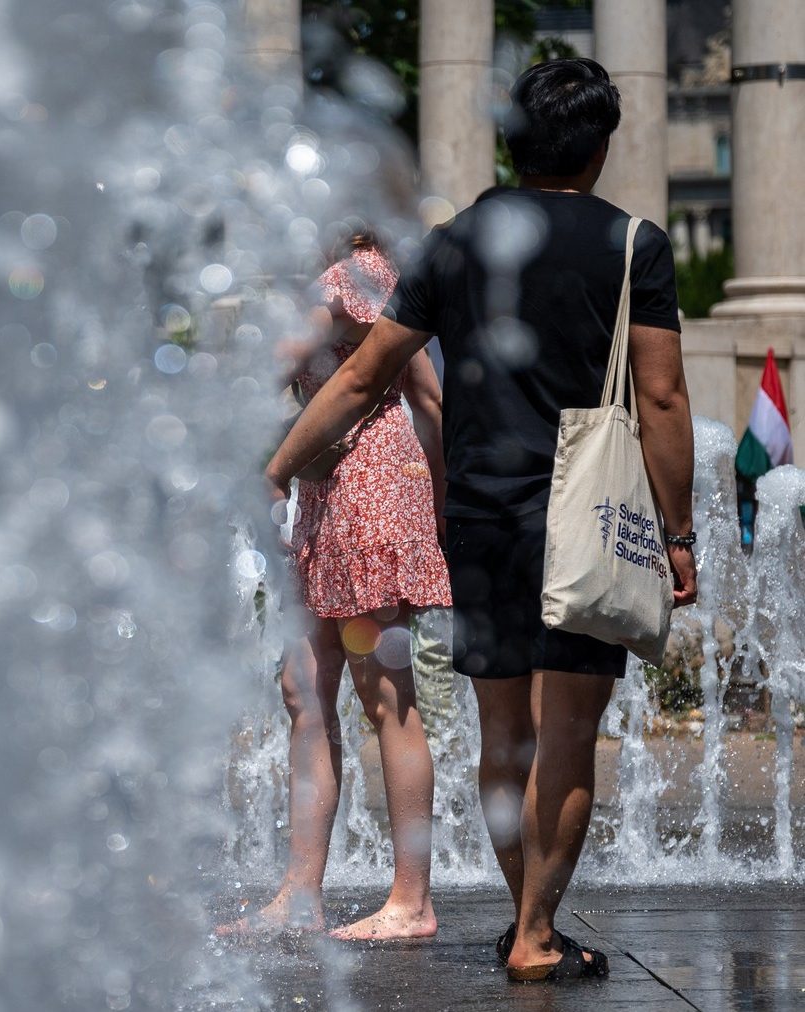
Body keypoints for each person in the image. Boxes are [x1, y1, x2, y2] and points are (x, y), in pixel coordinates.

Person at [265, 58, 697, 983]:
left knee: (505, 733)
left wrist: (277, 464)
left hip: (482, 512)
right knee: (570, 732)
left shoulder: (454, 244)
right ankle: (537, 933)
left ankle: (524, 921)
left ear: (511, 140)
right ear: (602, 146)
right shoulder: (634, 245)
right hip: (590, 514)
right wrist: (679, 530)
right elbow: (660, 399)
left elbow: (358, 377)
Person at [224, 231, 452, 941]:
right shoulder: (377, 278)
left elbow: (278, 364)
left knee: (385, 695)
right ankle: (301, 892)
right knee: (307, 690)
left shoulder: (354, 275)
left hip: (364, 495)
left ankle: (412, 901)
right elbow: (430, 400)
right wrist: (435, 506)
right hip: (336, 495)